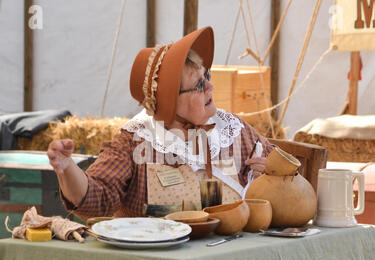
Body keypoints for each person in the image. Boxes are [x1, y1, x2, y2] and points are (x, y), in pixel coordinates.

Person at [47, 26, 275, 221]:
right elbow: (97, 199)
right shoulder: (135, 141)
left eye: (207, 77)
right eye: (198, 85)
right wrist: (68, 170)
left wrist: (275, 173)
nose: (210, 87)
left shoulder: (232, 131)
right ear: (168, 102)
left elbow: (289, 173)